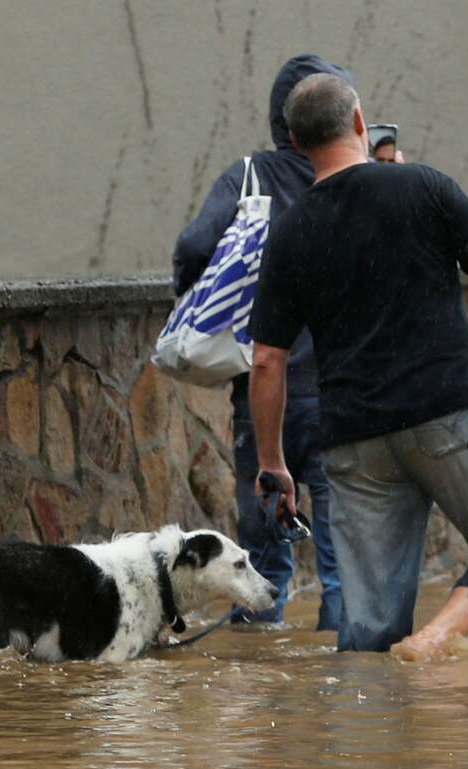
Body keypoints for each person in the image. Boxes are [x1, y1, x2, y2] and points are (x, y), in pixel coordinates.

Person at [247, 73, 468, 659]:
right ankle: (437, 637)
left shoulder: (287, 233)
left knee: (367, 634)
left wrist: (272, 463)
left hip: (354, 442)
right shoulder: (423, 186)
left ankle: (366, 747)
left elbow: (266, 361)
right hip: (449, 414)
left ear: (297, 143)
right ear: (360, 122)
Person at [171, 54, 348, 630]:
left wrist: (205, 304)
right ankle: (346, 682)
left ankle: (264, 688)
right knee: (343, 554)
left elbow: (196, 242)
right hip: (341, 392)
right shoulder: (354, 179)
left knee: (263, 553)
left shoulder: (248, 176)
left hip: (261, 389)